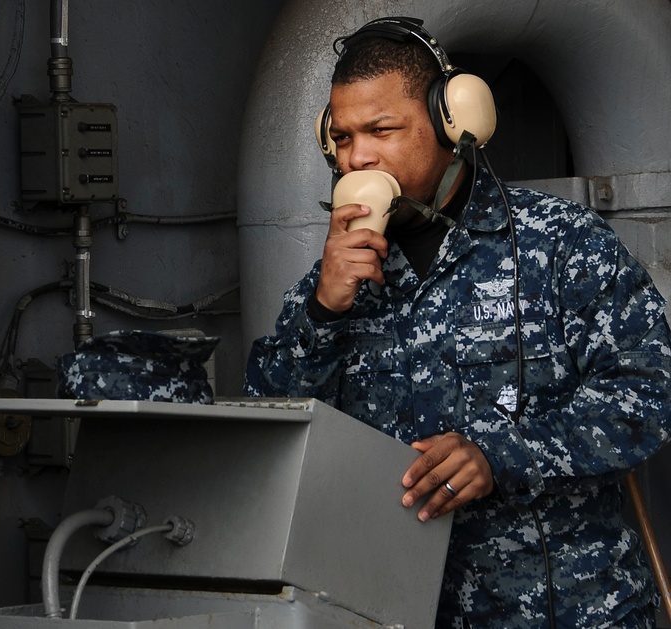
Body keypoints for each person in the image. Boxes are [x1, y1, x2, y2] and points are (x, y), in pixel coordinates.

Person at [244, 16, 671, 628]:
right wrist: (321, 313)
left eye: (381, 130)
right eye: (341, 138)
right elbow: (269, 434)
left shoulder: (558, 244)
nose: (356, 157)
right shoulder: (335, 276)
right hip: (393, 610)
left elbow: (649, 395)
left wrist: (501, 455)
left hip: (567, 612)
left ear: (454, 125)